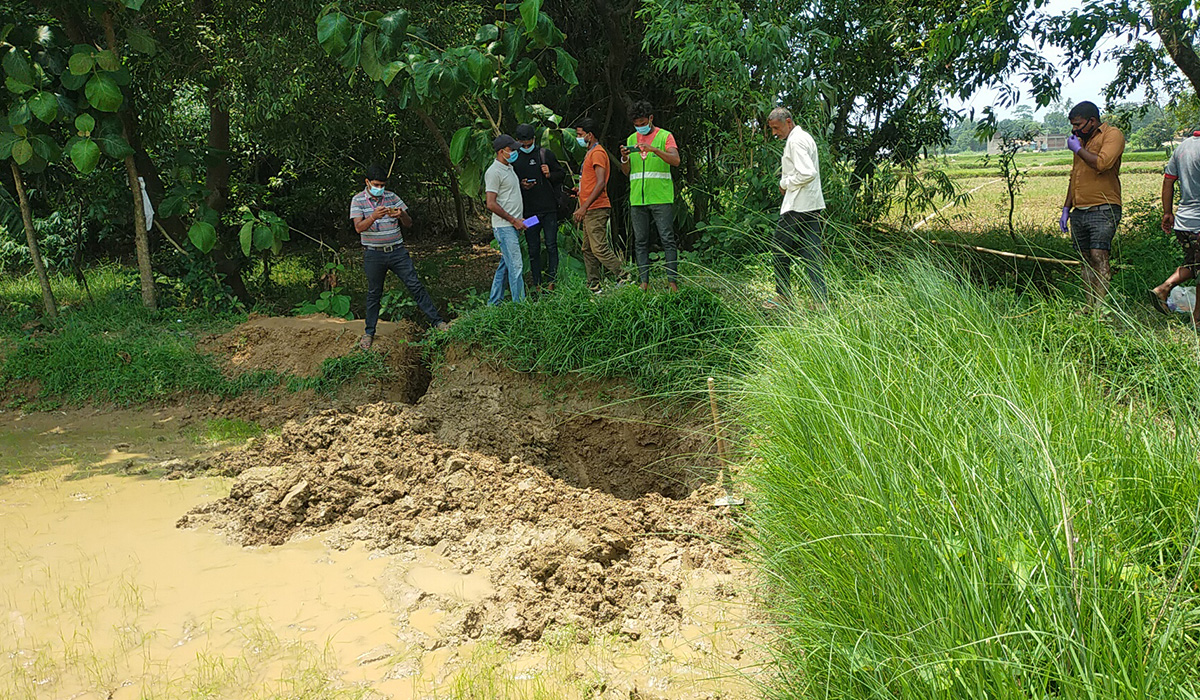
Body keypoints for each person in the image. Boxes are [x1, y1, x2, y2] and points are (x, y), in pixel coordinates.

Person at [350, 164, 448, 350]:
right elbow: (358, 227)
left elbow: (409, 223)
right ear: (367, 182)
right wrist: (373, 217)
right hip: (373, 253)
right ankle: (369, 332)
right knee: (374, 293)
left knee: (415, 285)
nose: (380, 188)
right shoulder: (358, 200)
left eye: (382, 185)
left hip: (397, 251)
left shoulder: (392, 197)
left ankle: (438, 322)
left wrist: (401, 215)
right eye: (376, 184)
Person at [1060, 101, 1125, 311]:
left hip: (1104, 208)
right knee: (1085, 259)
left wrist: (1079, 150)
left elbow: (1102, 164)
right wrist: (1066, 208)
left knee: (1099, 255)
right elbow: (1075, 176)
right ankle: (1089, 305)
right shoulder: (1080, 141)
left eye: (1078, 124)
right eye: (1073, 125)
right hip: (1079, 210)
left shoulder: (1112, 135)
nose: (1075, 129)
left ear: (1092, 121)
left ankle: (1101, 307)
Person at [764, 107, 827, 309]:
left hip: (798, 206)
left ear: (788, 122)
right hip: (812, 204)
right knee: (811, 253)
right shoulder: (804, 137)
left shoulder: (796, 140)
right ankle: (820, 301)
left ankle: (783, 297)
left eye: (776, 128)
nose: (775, 133)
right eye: (772, 129)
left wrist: (785, 183)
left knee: (779, 249)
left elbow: (808, 173)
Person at [619, 101, 680, 292]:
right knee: (640, 241)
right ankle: (644, 282)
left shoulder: (665, 136)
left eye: (642, 122)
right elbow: (626, 172)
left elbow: (676, 160)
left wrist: (654, 149)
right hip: (638, 199)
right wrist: (624, 158)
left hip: (661, 198)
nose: (639, 126)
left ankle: (672, 282)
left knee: (667, 239)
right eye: (636, 124)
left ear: (651, 118)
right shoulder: (631, 139)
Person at [1150, 127, 1200, 327]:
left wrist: (1168, 212)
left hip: (1184, 221)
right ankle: (1197, 319)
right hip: (1198, 222)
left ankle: (1164, 289)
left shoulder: (1182, 148)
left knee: (1194, 266)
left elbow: (1168, 182)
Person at [574, 117, 631, 292]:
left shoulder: (597, 153)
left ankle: (623, 275)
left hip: (595, 208)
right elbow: (592, 182)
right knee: (588, 249)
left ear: (589, 135)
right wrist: (580, 191)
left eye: (580, 134)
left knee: (598, 247)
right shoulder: (591, 152)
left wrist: (583, 207)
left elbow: (600, 183)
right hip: (590, 207)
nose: (578, 137)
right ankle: (593, 284)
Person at [513, 123, 564, 293]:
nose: (526, 147)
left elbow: (561, 175)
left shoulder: (544, 154)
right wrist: (521, 185)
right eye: (523, 144)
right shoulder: (515, 158)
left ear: (534, 139)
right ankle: (537, 284)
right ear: (518, 142)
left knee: (551, 245)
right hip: (529, 213)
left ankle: (553, 280)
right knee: (533, 248)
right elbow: (510, 185)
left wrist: (550, 174)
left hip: (548, 210)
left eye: (529, 144)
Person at [485, 134, 528, 305]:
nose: (515, 152)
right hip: (505, 227)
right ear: (502, 152)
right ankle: (521, 306)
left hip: (512, 225)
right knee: (516, 266)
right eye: (512, 150)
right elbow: (491, 204)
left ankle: (494, 302)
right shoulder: (494, 172)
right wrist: (513, 220)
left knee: (505, 266)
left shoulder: (509, 168)